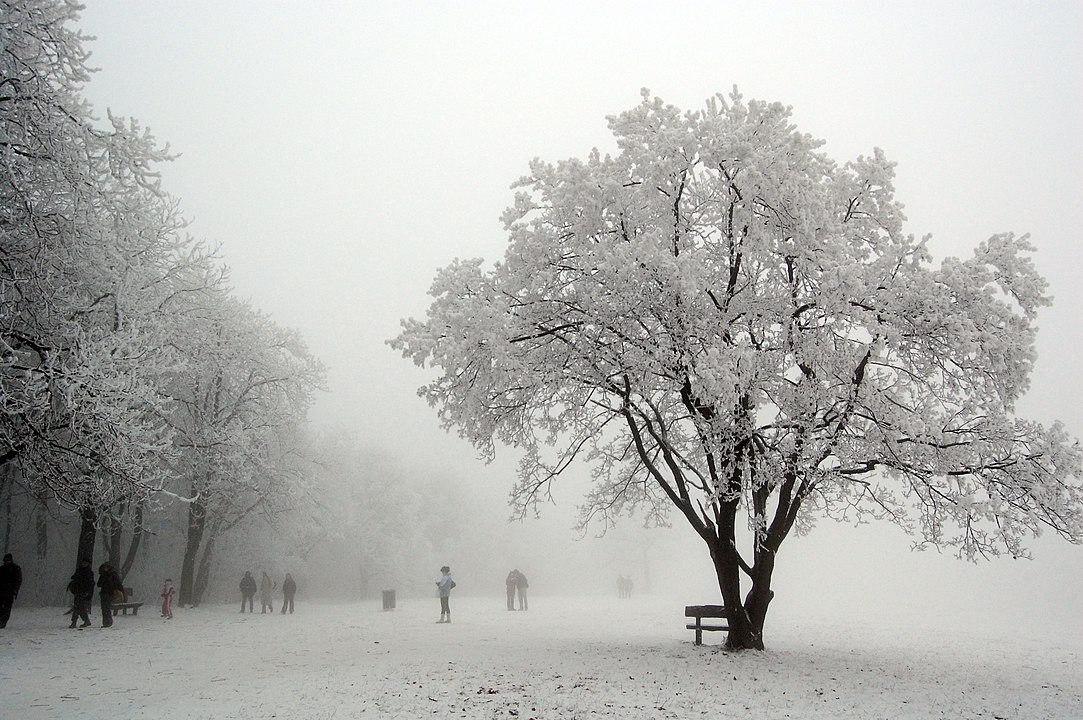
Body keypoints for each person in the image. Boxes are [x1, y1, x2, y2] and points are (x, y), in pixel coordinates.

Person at [68, 558, 94, 628]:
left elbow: (90, 584)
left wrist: (88, 592)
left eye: (85, 563)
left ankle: (74, 622)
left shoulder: (89, 573)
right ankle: (85, 620)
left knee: (77, 606)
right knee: (80, 607)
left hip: (83, 591)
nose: (84, 564)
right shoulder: (80, 571)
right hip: (79, 591)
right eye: (83, 563)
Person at [0, 553, 23, 628]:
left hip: (9, 593)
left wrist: (15, 590)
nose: (6, 562)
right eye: (5, 561)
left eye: (8, 560)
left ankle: (3, 623)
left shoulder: (15, 569)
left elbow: (18, 581)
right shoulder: (2, 569)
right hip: (2, 592)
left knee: (7, 609)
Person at [97, 562, 122, 628]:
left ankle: (108, 622)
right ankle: (105, 622)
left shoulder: (113, 574)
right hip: (104, 593)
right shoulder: (103, 575)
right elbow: (98, 584)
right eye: (104, 567)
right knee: (104, 608)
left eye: (106, 567)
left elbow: (117, 584)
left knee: (107, 608)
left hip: (110, 593)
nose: (105, 569)